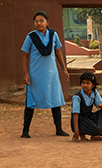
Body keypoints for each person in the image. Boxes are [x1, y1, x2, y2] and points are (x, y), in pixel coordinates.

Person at [21, 10, 69, 138]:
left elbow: (58, 52)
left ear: (47, 22)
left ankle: (59, 129)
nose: (38, 23)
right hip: (35, 74)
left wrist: (64, 68)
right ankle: (25, 131)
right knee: (31, 101)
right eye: (36, 21)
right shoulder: (31, 37)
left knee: (55, 100)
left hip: (52, 74)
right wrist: (26, 73)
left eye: (41, 21)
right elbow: (25, 55)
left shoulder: (53, 35)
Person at [71, 71, 102, 142]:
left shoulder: (94, 92)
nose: (85, 85)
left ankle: (94, 135)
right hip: (80, 119)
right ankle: (82, 134)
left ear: (93, 85)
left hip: (88, 117)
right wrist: (76, 130)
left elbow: (101, 103)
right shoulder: (77, 97)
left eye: (88, 83)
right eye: (83, 83)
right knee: (99, 130)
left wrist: (101, 105)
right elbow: (75, 114)